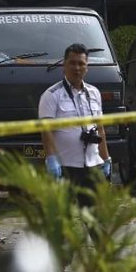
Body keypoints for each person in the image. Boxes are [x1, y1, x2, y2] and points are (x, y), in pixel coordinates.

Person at [39, 43, 111, 198]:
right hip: (65, 167)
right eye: (72, 63)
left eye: (81, 64)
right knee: (66, 218)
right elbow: (46, 131)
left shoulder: (94, 93)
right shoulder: (51, 95)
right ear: (63, 66)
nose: (76, 68)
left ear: (87, 67)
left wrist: (106, 158)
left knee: (94, 218)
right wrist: (51, 159)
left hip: (92, 165)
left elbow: (100, 129)